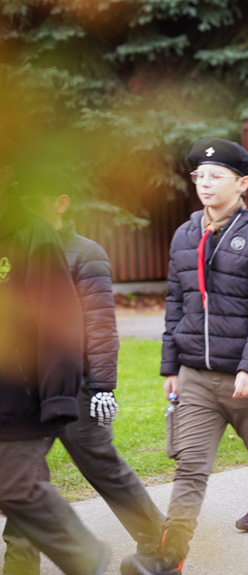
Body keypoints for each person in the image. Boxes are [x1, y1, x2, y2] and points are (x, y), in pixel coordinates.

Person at [121, 137, 248, 575]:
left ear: (242, 182)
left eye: (216, 176)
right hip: (196, 377)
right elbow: (177, 301)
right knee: (190, 468)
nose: (204, 183)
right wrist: (170, 364)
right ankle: (171, 557)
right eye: (199, 176)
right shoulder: (186, 234)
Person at [5, 189, 164, 573]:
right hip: (27, 386)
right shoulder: (16, 247)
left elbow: (99, 325)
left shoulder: (84, 251)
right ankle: (19, 565)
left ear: (60, 201)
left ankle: (161, 541)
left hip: (75, 384)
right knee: (22, 476)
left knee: (100, 464)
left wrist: (103, 386)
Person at [0, 156, 108, 574]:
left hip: (16, 398)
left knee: (19, 487)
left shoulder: (33, 237)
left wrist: (59, 396)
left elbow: (61, 323)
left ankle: (86, 559)